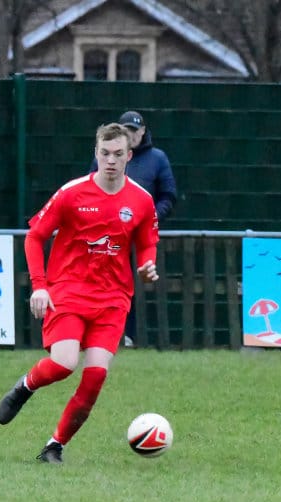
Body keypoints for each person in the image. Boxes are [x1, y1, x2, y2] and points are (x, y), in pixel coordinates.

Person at [0, 123, 160, 464]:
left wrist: (148, 265)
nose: (110, 160)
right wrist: (40, 286)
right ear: (96, 153)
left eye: (118, 154)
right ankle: (26, 386)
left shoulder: (142, 201)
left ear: (129, 156)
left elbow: (147, 243)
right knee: (65, 363)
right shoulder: (72, 193)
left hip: (113, 298)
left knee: (96, 375)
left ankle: (54, 446)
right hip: (69, 290)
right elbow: (34, 237)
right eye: (105, 153)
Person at [90, 110, 176, 347]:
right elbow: (92, 188)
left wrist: (151, 218)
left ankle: (131, 335)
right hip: (109, 233)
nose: (132, 134)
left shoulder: (157, 158)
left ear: (143, 132)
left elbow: (168, 195)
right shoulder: (106, 158)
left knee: (137, 283)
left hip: (142, 234)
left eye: (135, 131)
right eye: (127, 130)